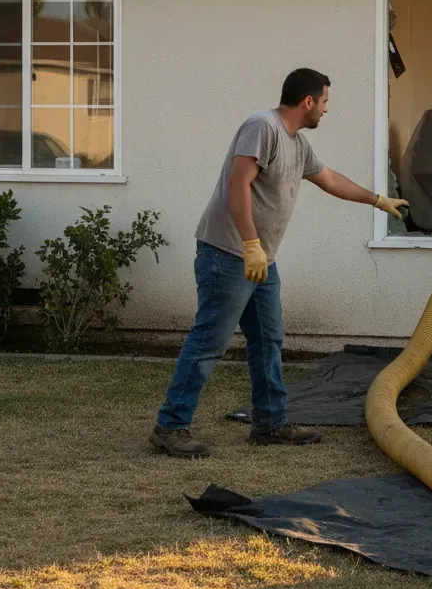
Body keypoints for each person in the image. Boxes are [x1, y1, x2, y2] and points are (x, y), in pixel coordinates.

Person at [150, 67, 408, 457]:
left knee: (268, 339)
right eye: (324, 103)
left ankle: (270, 424)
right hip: (228, 253)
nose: (325, 111)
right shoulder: (263, 126)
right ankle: (170, 427)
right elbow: (239, 182)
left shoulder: (297, 144)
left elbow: (329, 179)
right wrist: (251, 243)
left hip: (261, 260)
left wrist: (377, 200)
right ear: (308, 102)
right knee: (209, 341)